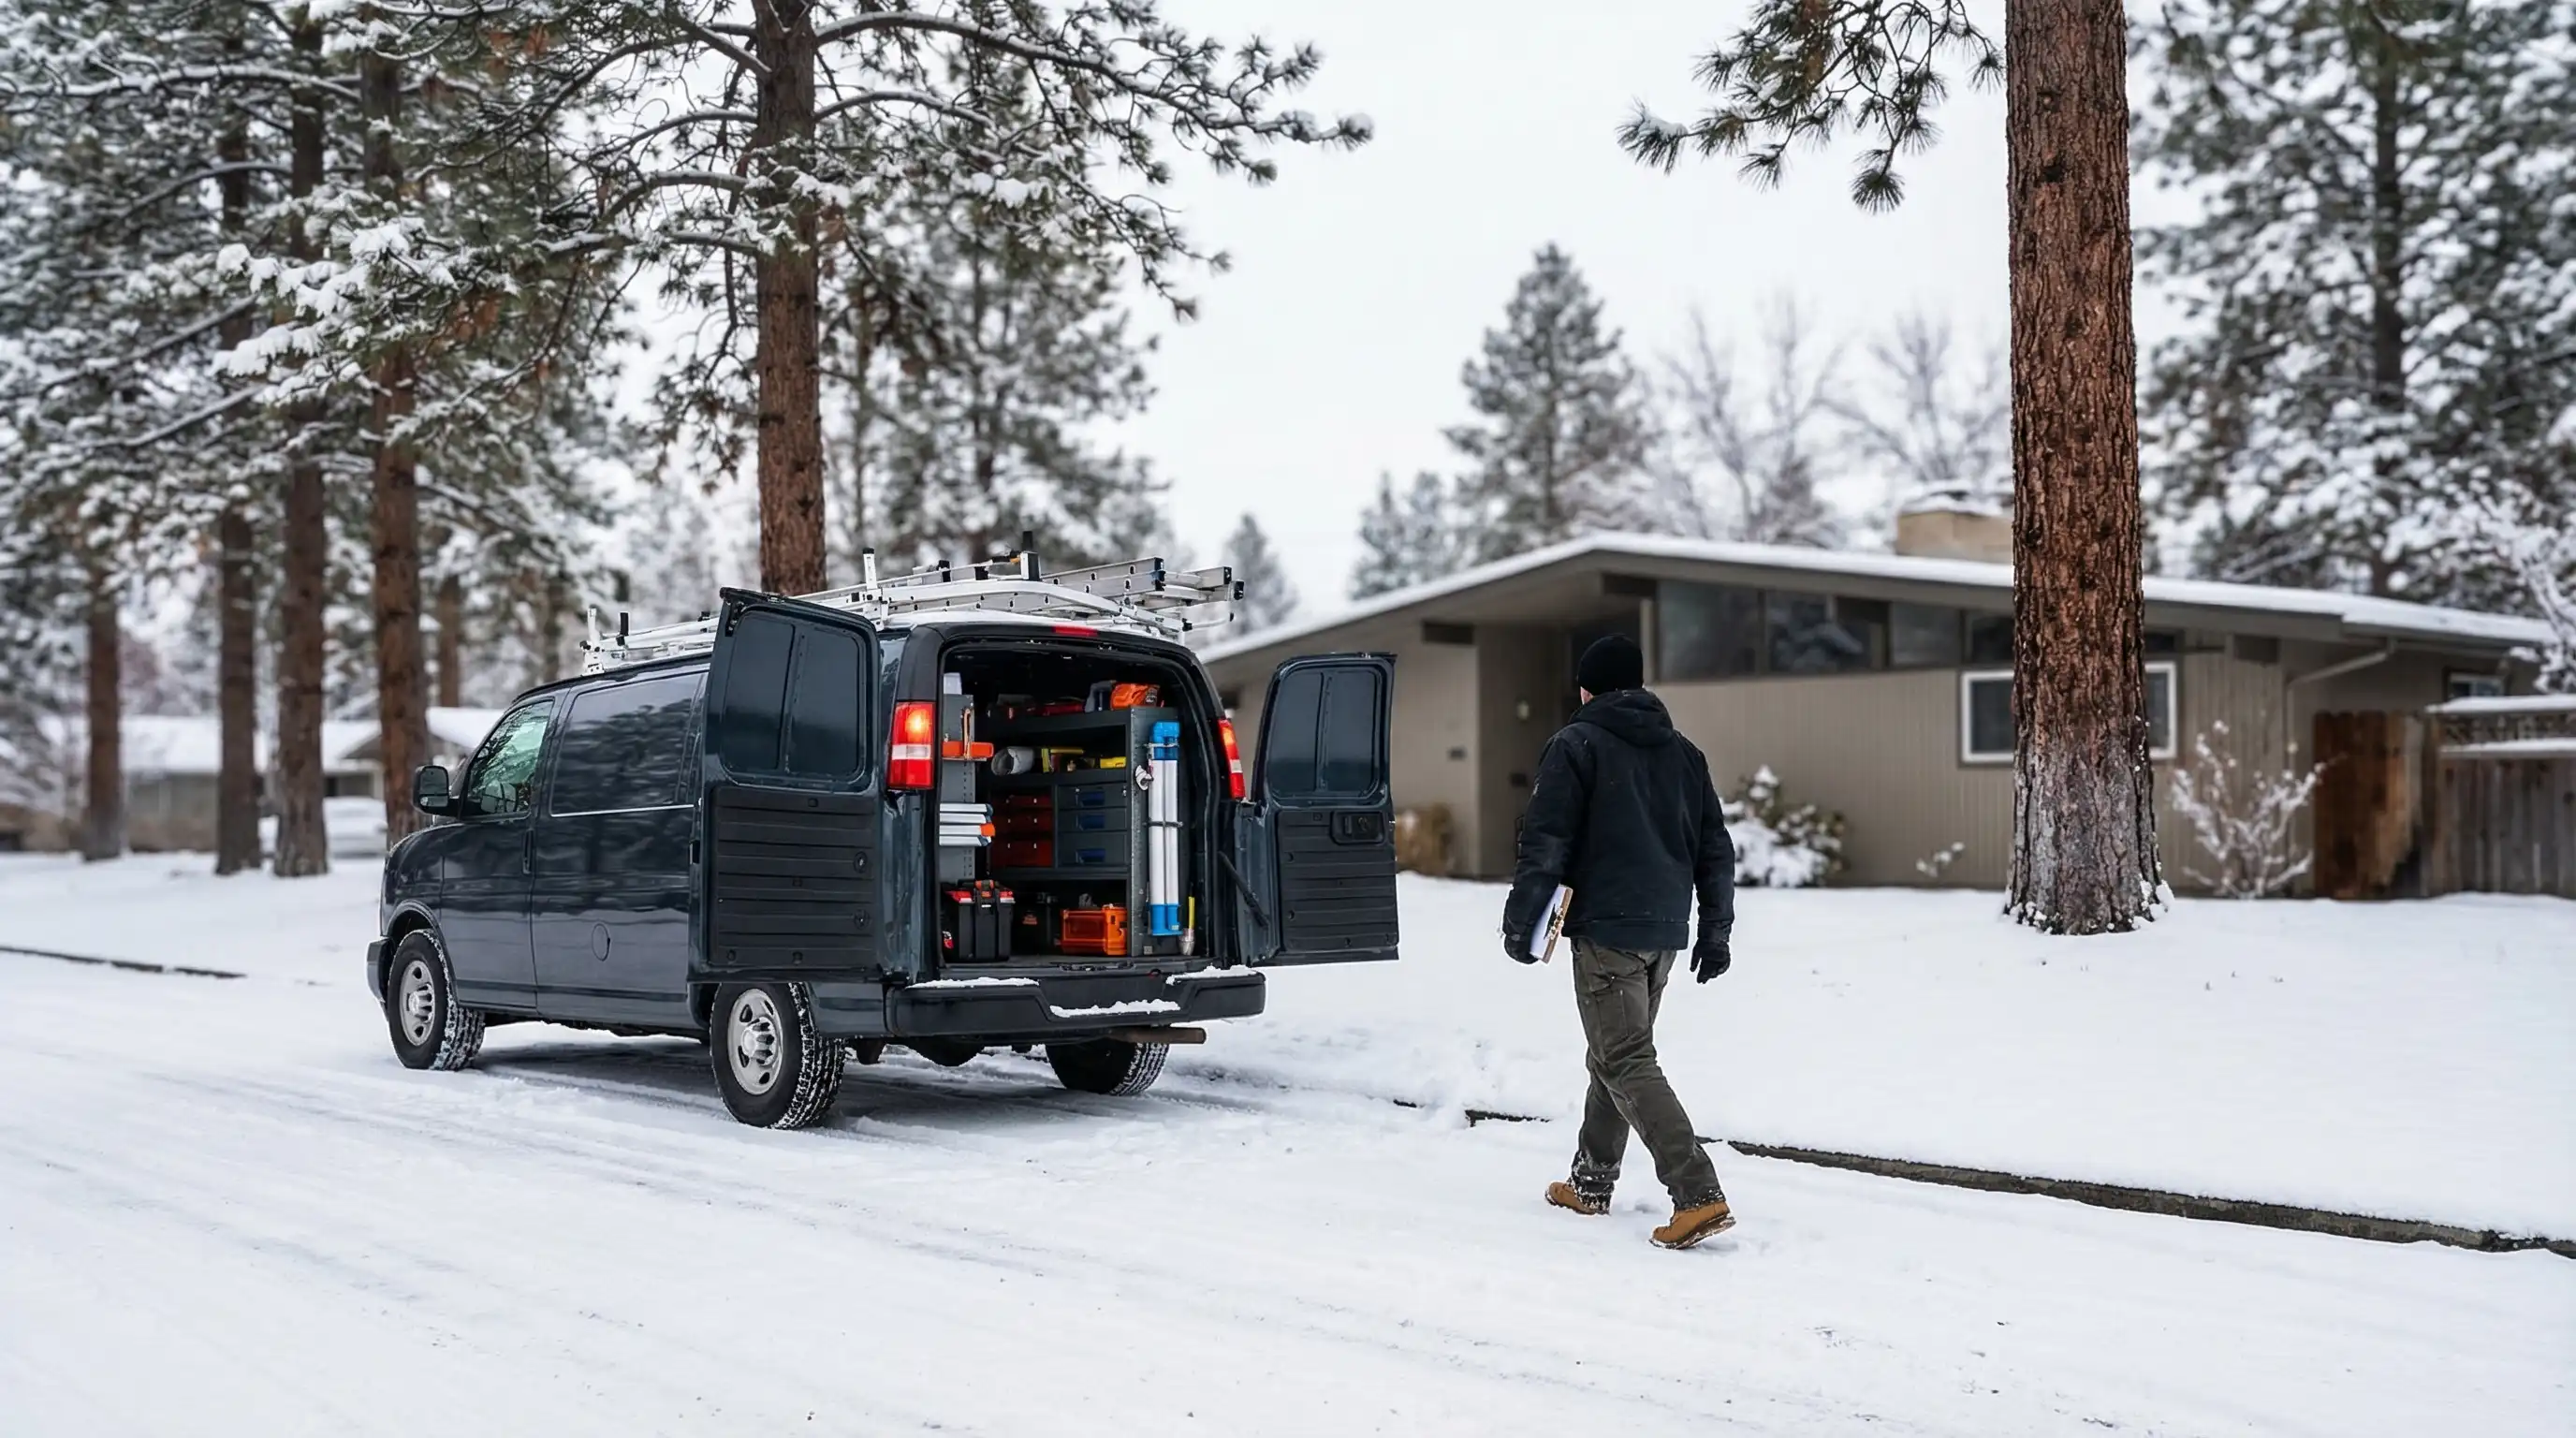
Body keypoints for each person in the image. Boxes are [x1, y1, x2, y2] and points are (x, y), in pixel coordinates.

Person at [1502, 633, 1736, 1250]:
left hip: (1607, 931)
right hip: (1663, 932)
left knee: (1625, 1056)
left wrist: (1519, 922)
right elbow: (1715, 851)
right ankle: (1591, 1182)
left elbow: (1544, 842)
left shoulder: (1576, 744)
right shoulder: (1685, 754)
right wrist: (1715, 933)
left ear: (1586, 689)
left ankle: (1697, 1195)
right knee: (1615, 1053)